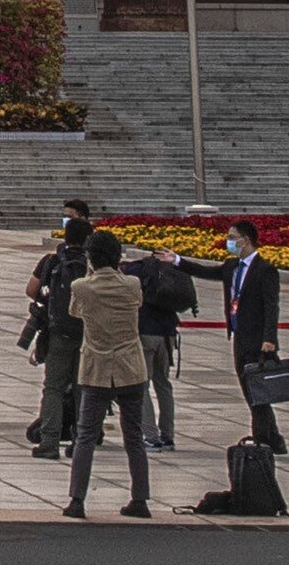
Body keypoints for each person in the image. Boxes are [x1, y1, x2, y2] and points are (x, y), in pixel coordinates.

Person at [59, 230, 163, 518]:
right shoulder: (132, 284)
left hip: (97, 367)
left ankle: (77, 499)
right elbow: (138, 304)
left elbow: (75, 312)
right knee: (134, 436)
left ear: (90, 257)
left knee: (86, 436)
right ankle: (140, 498)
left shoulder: (82, 287)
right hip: (131, 366)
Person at [21, 200, 93, 454]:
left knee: (53, 387)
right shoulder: (92, 262)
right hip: (87, 334)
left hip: (58, 332)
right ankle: (81, 441)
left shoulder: (52, 260)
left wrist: (48, 301)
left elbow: (31, 289)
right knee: (81, 388)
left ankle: (49, 441)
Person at [220, 219, 289, 458]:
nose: (228, 241)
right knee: (253, 393)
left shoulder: (264, 270)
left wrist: (270, 338)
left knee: (257, 393)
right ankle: (274, 440)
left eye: (232, 237)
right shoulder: (232, 267)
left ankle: (264, 440)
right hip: (240, 338)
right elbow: (206, 271)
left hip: (258, 341)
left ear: (245, 240)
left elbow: (272, 306)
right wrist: (176, 261)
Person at [137, 227, 199, 450]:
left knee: (141, 385)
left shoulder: (143, 268)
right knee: (163, 383)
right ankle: (168, 434)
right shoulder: (175, 271)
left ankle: (149, 435)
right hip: (168, 335)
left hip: (145, 333)